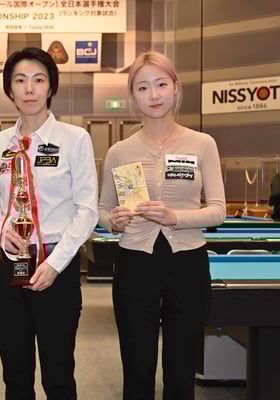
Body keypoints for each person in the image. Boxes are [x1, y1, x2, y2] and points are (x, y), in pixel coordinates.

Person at [98, 51, 226, 400]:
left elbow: (218, 211)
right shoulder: (119, 151)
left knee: (181, 369)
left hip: (187, 262)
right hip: (135, 263)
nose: (153, 95)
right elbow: (102, 210)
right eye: (142, 88)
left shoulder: (202, 144)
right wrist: (113, 221)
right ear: (133, 96)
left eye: (161, 84)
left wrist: (175, 217)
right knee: (137, 368)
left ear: (176, 88)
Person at [0, 47, 99, 399]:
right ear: (9, 88)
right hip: (7, 266)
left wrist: (56, 264)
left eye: (38, 80)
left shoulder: (74, 139)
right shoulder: (0, 143)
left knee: (58, 374)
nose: (29, 89)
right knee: (15, 375)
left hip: (56, 267)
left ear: (51, 87)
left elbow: (87, 210)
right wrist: (1, 232)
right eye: (20, 80)